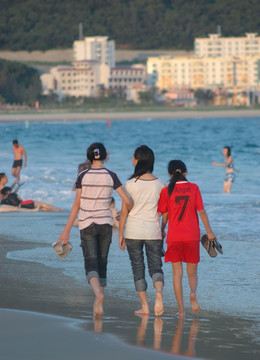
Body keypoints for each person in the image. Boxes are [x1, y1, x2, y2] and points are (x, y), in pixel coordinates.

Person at [58, 142, 132, 317]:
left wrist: (66, 230)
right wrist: (123, 213)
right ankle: (100, 297)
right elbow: (127, 200)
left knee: (90, 263)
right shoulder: (111, 175)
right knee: (102, 262)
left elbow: (77, 204)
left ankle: (98, 295)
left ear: (89, 157)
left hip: (86, 223)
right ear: (105, 156)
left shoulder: (82, 175)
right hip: (106, 223)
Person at [158, 160, 216, 318]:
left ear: (170, 174)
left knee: (177, 275)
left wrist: (161, 231)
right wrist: (209, 232)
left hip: (174, 237)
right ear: (185, 172)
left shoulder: (166, 191)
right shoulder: (194, 188)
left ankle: (181, 311)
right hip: (192, 237)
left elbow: (164, 214)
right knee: (192, 273)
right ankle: (192, 293)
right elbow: (202, 212)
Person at [119, 145, 165, 317]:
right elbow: (164, 212)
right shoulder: (161, 184)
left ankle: (145, 306)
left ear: (138, 160)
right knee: (156, 267)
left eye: (133, 157)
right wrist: (162, 230)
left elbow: (124, 212)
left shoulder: (129, 184)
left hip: (133, 231)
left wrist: (121, 234)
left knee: (137, 268)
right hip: (153, 230)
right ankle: (159, 293)